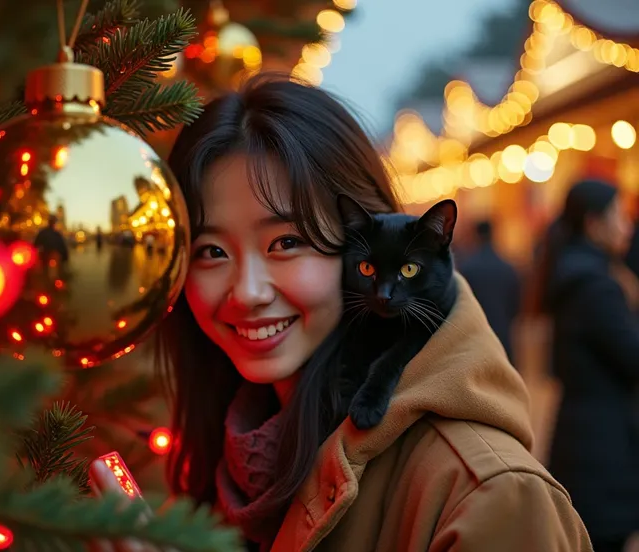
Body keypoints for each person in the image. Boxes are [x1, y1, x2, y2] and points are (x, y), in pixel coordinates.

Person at [90, 76, 591, 551]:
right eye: (211, 251)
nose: (246, 292)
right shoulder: (235, 452)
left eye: (286, 242)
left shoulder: (488, 494)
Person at [538, 179, 639, 552]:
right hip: (600, 449)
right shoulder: (595, 285)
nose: (627, 225)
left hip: (584, 438)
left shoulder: (578, 274)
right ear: (594, 223)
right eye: (620, 215)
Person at [458, 220, 521, 362]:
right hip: (503, 336)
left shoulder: (468, 268)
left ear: (476, 236)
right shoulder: (508, 268)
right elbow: (515, 305)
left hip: (476, 338)